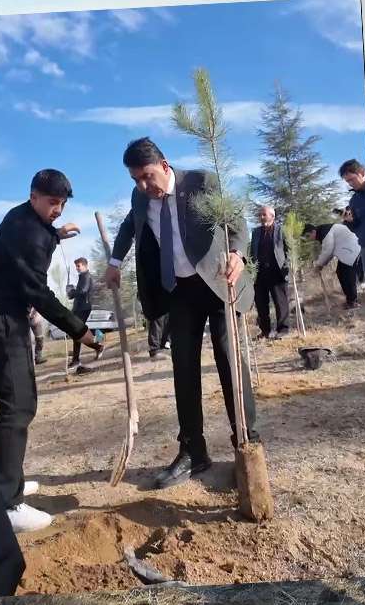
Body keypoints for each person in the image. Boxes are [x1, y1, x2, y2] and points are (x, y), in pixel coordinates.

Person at [107, 137, 258, 490]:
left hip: (218, 283)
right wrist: (115, 261)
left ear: (164, 166)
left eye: (147, 176)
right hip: (179, 291)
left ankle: (247, 441)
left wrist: (238, 254)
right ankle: (193, 451)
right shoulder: (140, 198)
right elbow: (129, 226)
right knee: (183, 369)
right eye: (136, 180)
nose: (143, 186)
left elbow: (236, 220)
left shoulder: (202, 182)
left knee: (230, 362)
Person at [0, 169, 102, 531]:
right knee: (18, 404)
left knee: (20, 400)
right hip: (1, 317)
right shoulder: (27, 230)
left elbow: (24, 249)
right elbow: (39, 293)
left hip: (2, 315)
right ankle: (7, 504)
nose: (58, 210)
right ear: (34, 196)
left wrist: (55, 234)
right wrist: (81, 331)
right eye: (52, 202)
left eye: (62, 204)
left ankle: (6, 479)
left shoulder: (25, 219)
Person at [250, 205, 292, 339]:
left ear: (272, 216)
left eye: (264, 214)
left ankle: (283, 330)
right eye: (260, 215)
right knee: (261, 304)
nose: (261, 217)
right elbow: (252, 251)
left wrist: (288, 267)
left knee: (281, 302)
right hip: (260, 272)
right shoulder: (256, 232)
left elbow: (288, 249)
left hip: (277, 272)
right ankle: (265, 331)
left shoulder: (281, 230)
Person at [304, 222, 361, 309]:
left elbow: (328, 251)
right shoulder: (323, 231)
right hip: (347, 251)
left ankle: (353, 302)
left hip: (351, 250)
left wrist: (319, 265)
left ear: (313, 231)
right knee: (341, 272)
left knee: (347, 276)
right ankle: (351, 300)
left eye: (308, 236)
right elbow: (329, 252)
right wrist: (320, 264)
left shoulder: (325, 232)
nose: (309, 239)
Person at [66, 257, 104, 366]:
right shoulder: (82, 277)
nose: (77, 268)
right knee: (76, 332)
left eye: (78, 266)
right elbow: (79, 292)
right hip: (78, 308)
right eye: (76, 266)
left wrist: (72, 292)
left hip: (84, 308)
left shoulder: (86, 276)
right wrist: (70, 293)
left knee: (77, 332)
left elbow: (83, 291)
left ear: (85, 265)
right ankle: (79, 358)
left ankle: (78, 359)